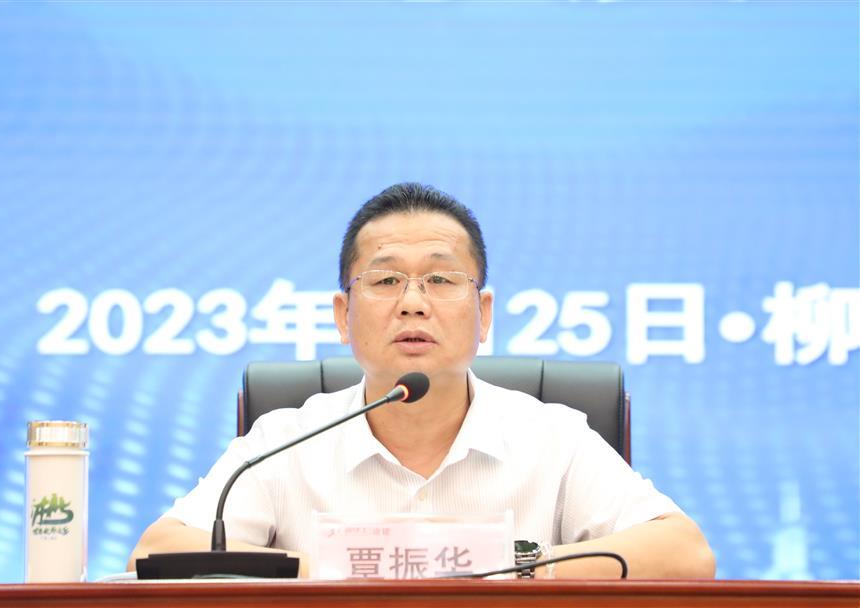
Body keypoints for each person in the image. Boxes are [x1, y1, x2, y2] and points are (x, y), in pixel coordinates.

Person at [128, 183, 715, 578]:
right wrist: (334, 568)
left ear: (483, 314)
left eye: (441, 280)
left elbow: (684, 551)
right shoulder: (284, 442)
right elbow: (158, 551)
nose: (413, 303)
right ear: (343, 315)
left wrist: (513, 564)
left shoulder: (553, 438)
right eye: (385, 281)